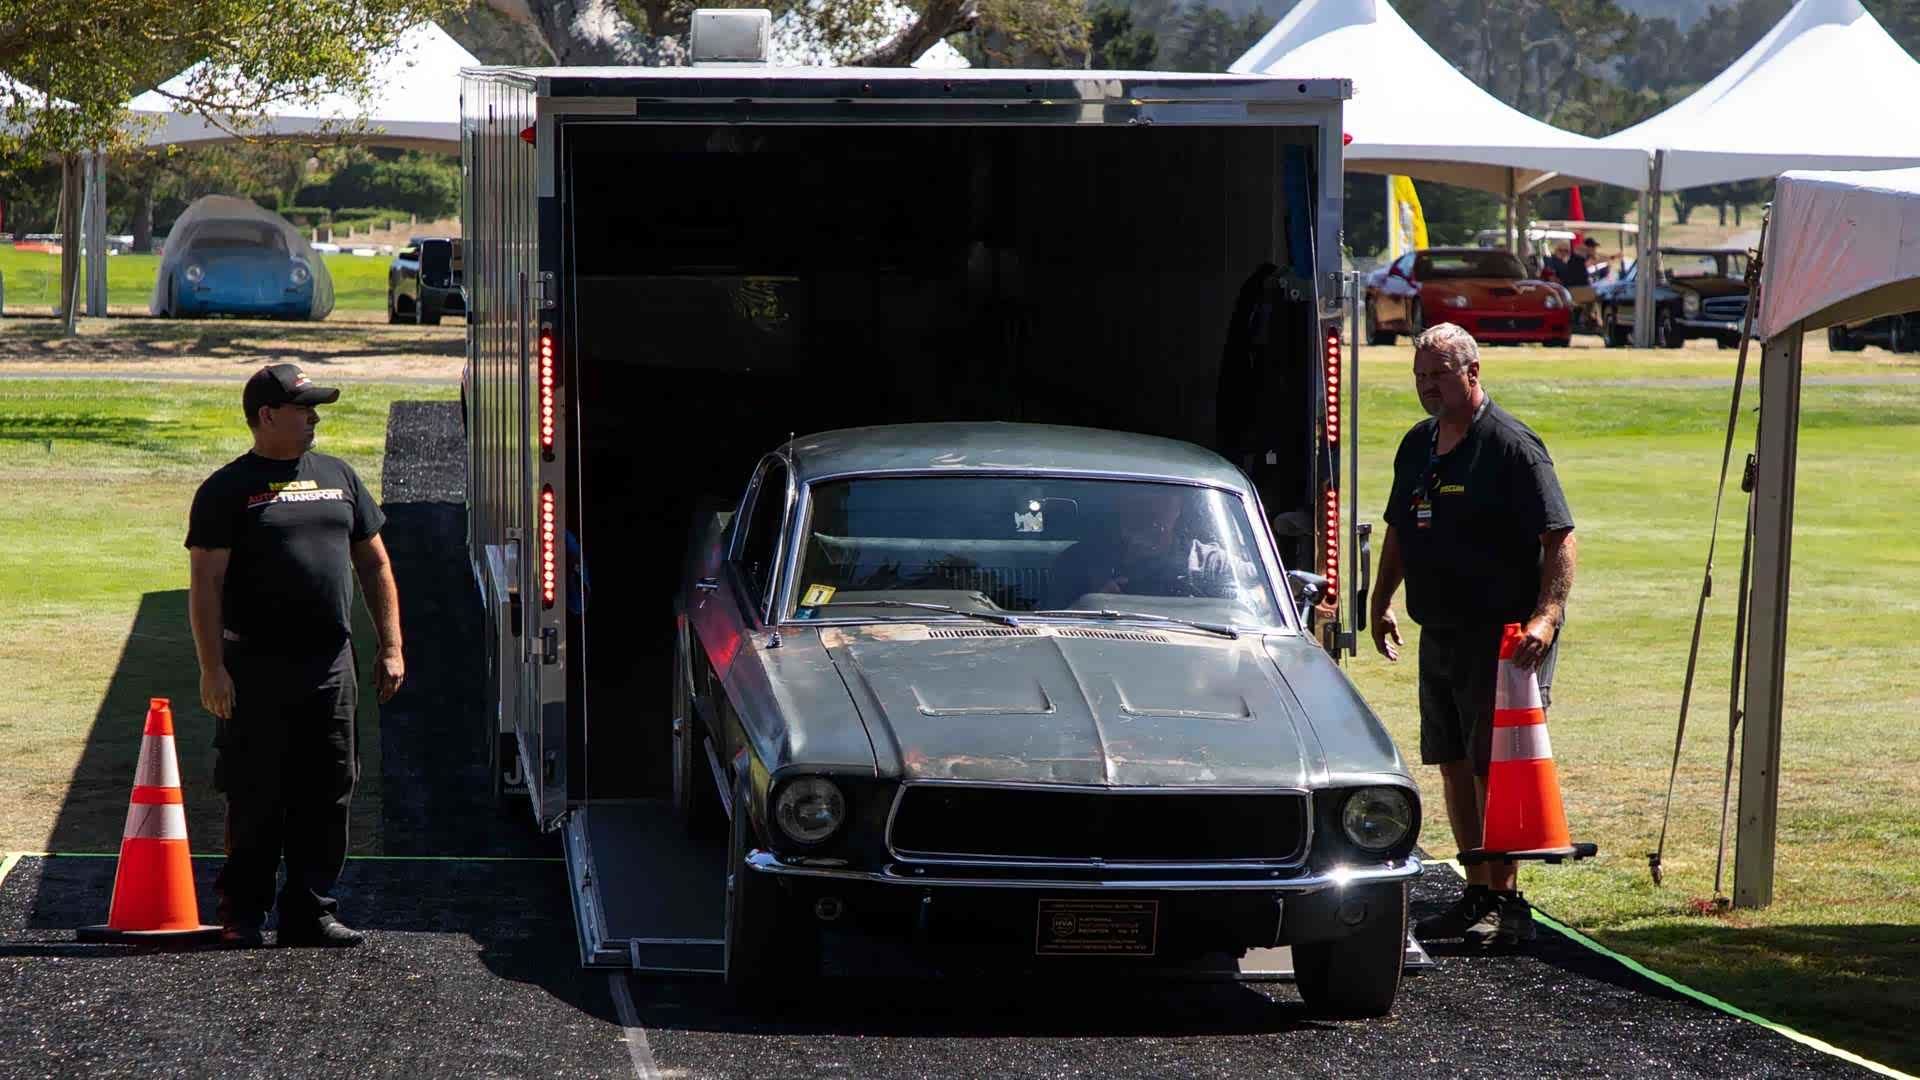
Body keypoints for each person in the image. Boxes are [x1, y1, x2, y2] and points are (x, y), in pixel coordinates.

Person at [1370, 324, 1576, 947]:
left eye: (1439, 375)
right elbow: (1400, 528)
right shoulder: (1419, 444)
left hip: (1503, 637)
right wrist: (1380, 600)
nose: (1428, 387)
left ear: (1472, 372)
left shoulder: (1511, 446)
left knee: (1496, 768)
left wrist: (1547, 616)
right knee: (1452, 761)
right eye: (1420, 377)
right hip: (1440, 630)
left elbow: (1559, 536)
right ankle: (1477, 890)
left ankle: (1506, 899)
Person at [186, 363, 404, 948]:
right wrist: (212, 668)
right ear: (266, 416)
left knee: (330, 789)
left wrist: (391, 646)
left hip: (330, 666)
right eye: (304, 409)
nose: (313, 419)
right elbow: (205, 585)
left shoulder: (339, 476)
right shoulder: (225, 489)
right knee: (256, 793)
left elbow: (375, 564)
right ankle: (244, 913)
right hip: (255, 668)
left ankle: (311, 910)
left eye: (315, 410)